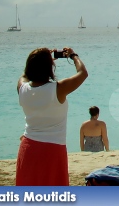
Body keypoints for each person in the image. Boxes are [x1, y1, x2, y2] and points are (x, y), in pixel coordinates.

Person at [16, 47, 88, 185]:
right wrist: (73, 56)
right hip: (53, 150)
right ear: (49, 68)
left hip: (28, 147)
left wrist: (38, 60)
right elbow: (83, 73)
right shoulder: (58, 89)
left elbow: (24, 76)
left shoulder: (22, 89)